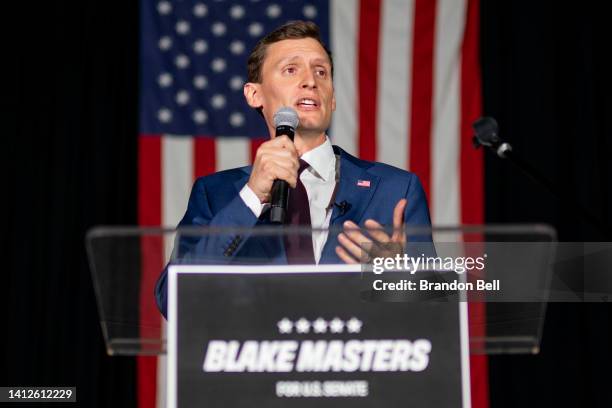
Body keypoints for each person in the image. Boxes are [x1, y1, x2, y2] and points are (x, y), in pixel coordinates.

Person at [155, 21, 432, 317]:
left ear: (333, 98)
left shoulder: (395, 190)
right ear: (254, 95)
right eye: (291, 69)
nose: (310, 81)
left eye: (321, 72)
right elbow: (174, 300)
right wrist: (251, 197)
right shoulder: (216, 194)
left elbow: (436, 314)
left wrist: (398, 272)